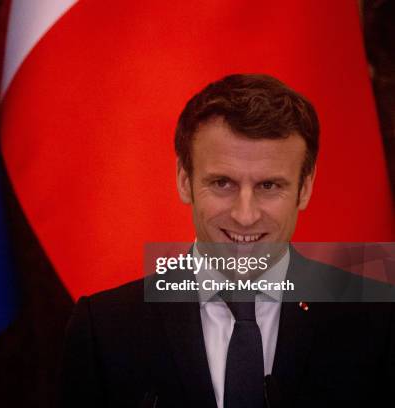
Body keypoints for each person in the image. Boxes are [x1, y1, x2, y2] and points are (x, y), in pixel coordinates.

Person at [59, 74, 395, 408]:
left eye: (269, 186)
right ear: (183, 179)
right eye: (222, 183)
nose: (244, 215)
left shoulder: (376, 323)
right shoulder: (104, 329)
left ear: (304, 188)